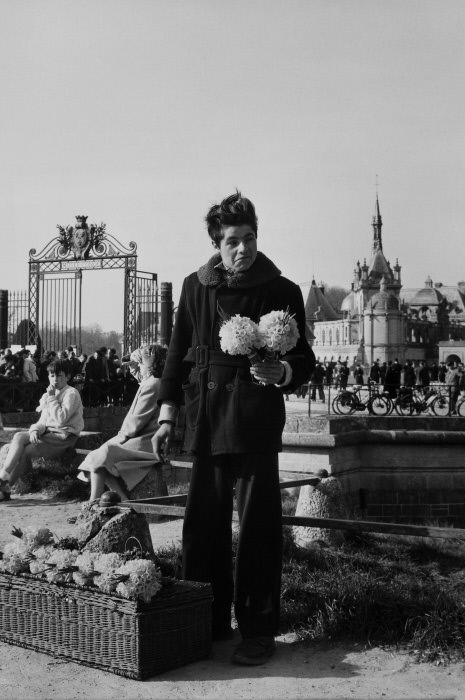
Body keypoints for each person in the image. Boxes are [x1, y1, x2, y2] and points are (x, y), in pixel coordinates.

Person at [151, 191, 315, 666]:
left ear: (257, 238)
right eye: (231, 242)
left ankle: (258, 630)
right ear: (216, 244)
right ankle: (206, 621)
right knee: (202, 524)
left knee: (259, 527)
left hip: (255, 422)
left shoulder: (283, 290)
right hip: (205, 420)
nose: (242, 249)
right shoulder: (194, 287)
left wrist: (283, 373)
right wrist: (166, 414)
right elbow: (177, 355)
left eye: (248, 239)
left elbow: (304, 360)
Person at [0, 359, 83, 502]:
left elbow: (61, 419)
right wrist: (35, 430)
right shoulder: (49, 395)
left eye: (59, 376)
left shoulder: (71, 393)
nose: (55, 379)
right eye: (52, 375)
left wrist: (52, 397)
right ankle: (3, 478)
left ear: (68, 377)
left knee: (24, 451)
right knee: (19, 436)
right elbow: (43, 421)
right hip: (49, 434)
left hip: (64, 438)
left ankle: (4, 489)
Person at [78, 344, 166, 501]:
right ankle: (122, 499)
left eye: (140, 364)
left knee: (104, 454)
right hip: (146, 438)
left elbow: (136, 422)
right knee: (102, 456)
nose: (137, 367)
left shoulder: (153, 384)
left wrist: (120, 436)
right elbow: (142, 383)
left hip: (147, 441)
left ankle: (95, 502)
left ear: (150, 364)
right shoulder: (154, 382)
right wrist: (135, 366)